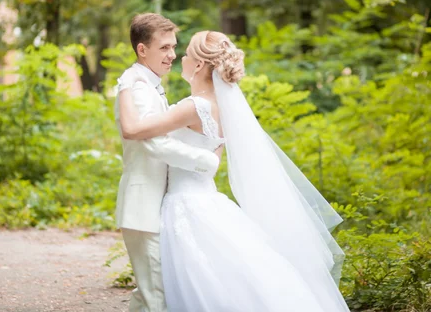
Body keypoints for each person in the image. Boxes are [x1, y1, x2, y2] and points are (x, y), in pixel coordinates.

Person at [117, 30, 350, 312]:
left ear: (200, 64)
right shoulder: (219, 105)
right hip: (207, 200)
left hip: (186, 205)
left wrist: (126, 85)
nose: (180, 58)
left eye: (186, 53)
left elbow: (135, 130)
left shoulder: (195, 106)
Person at [115, 15, 220, 312]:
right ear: (142, 50)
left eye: (173, 47)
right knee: (156, 295)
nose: (172, 54)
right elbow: (152, 141)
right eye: (164, 48)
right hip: (143, 202)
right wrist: (205, 160)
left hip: (158, 203)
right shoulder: (136, 86)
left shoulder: (148, 84)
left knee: (149, 292)